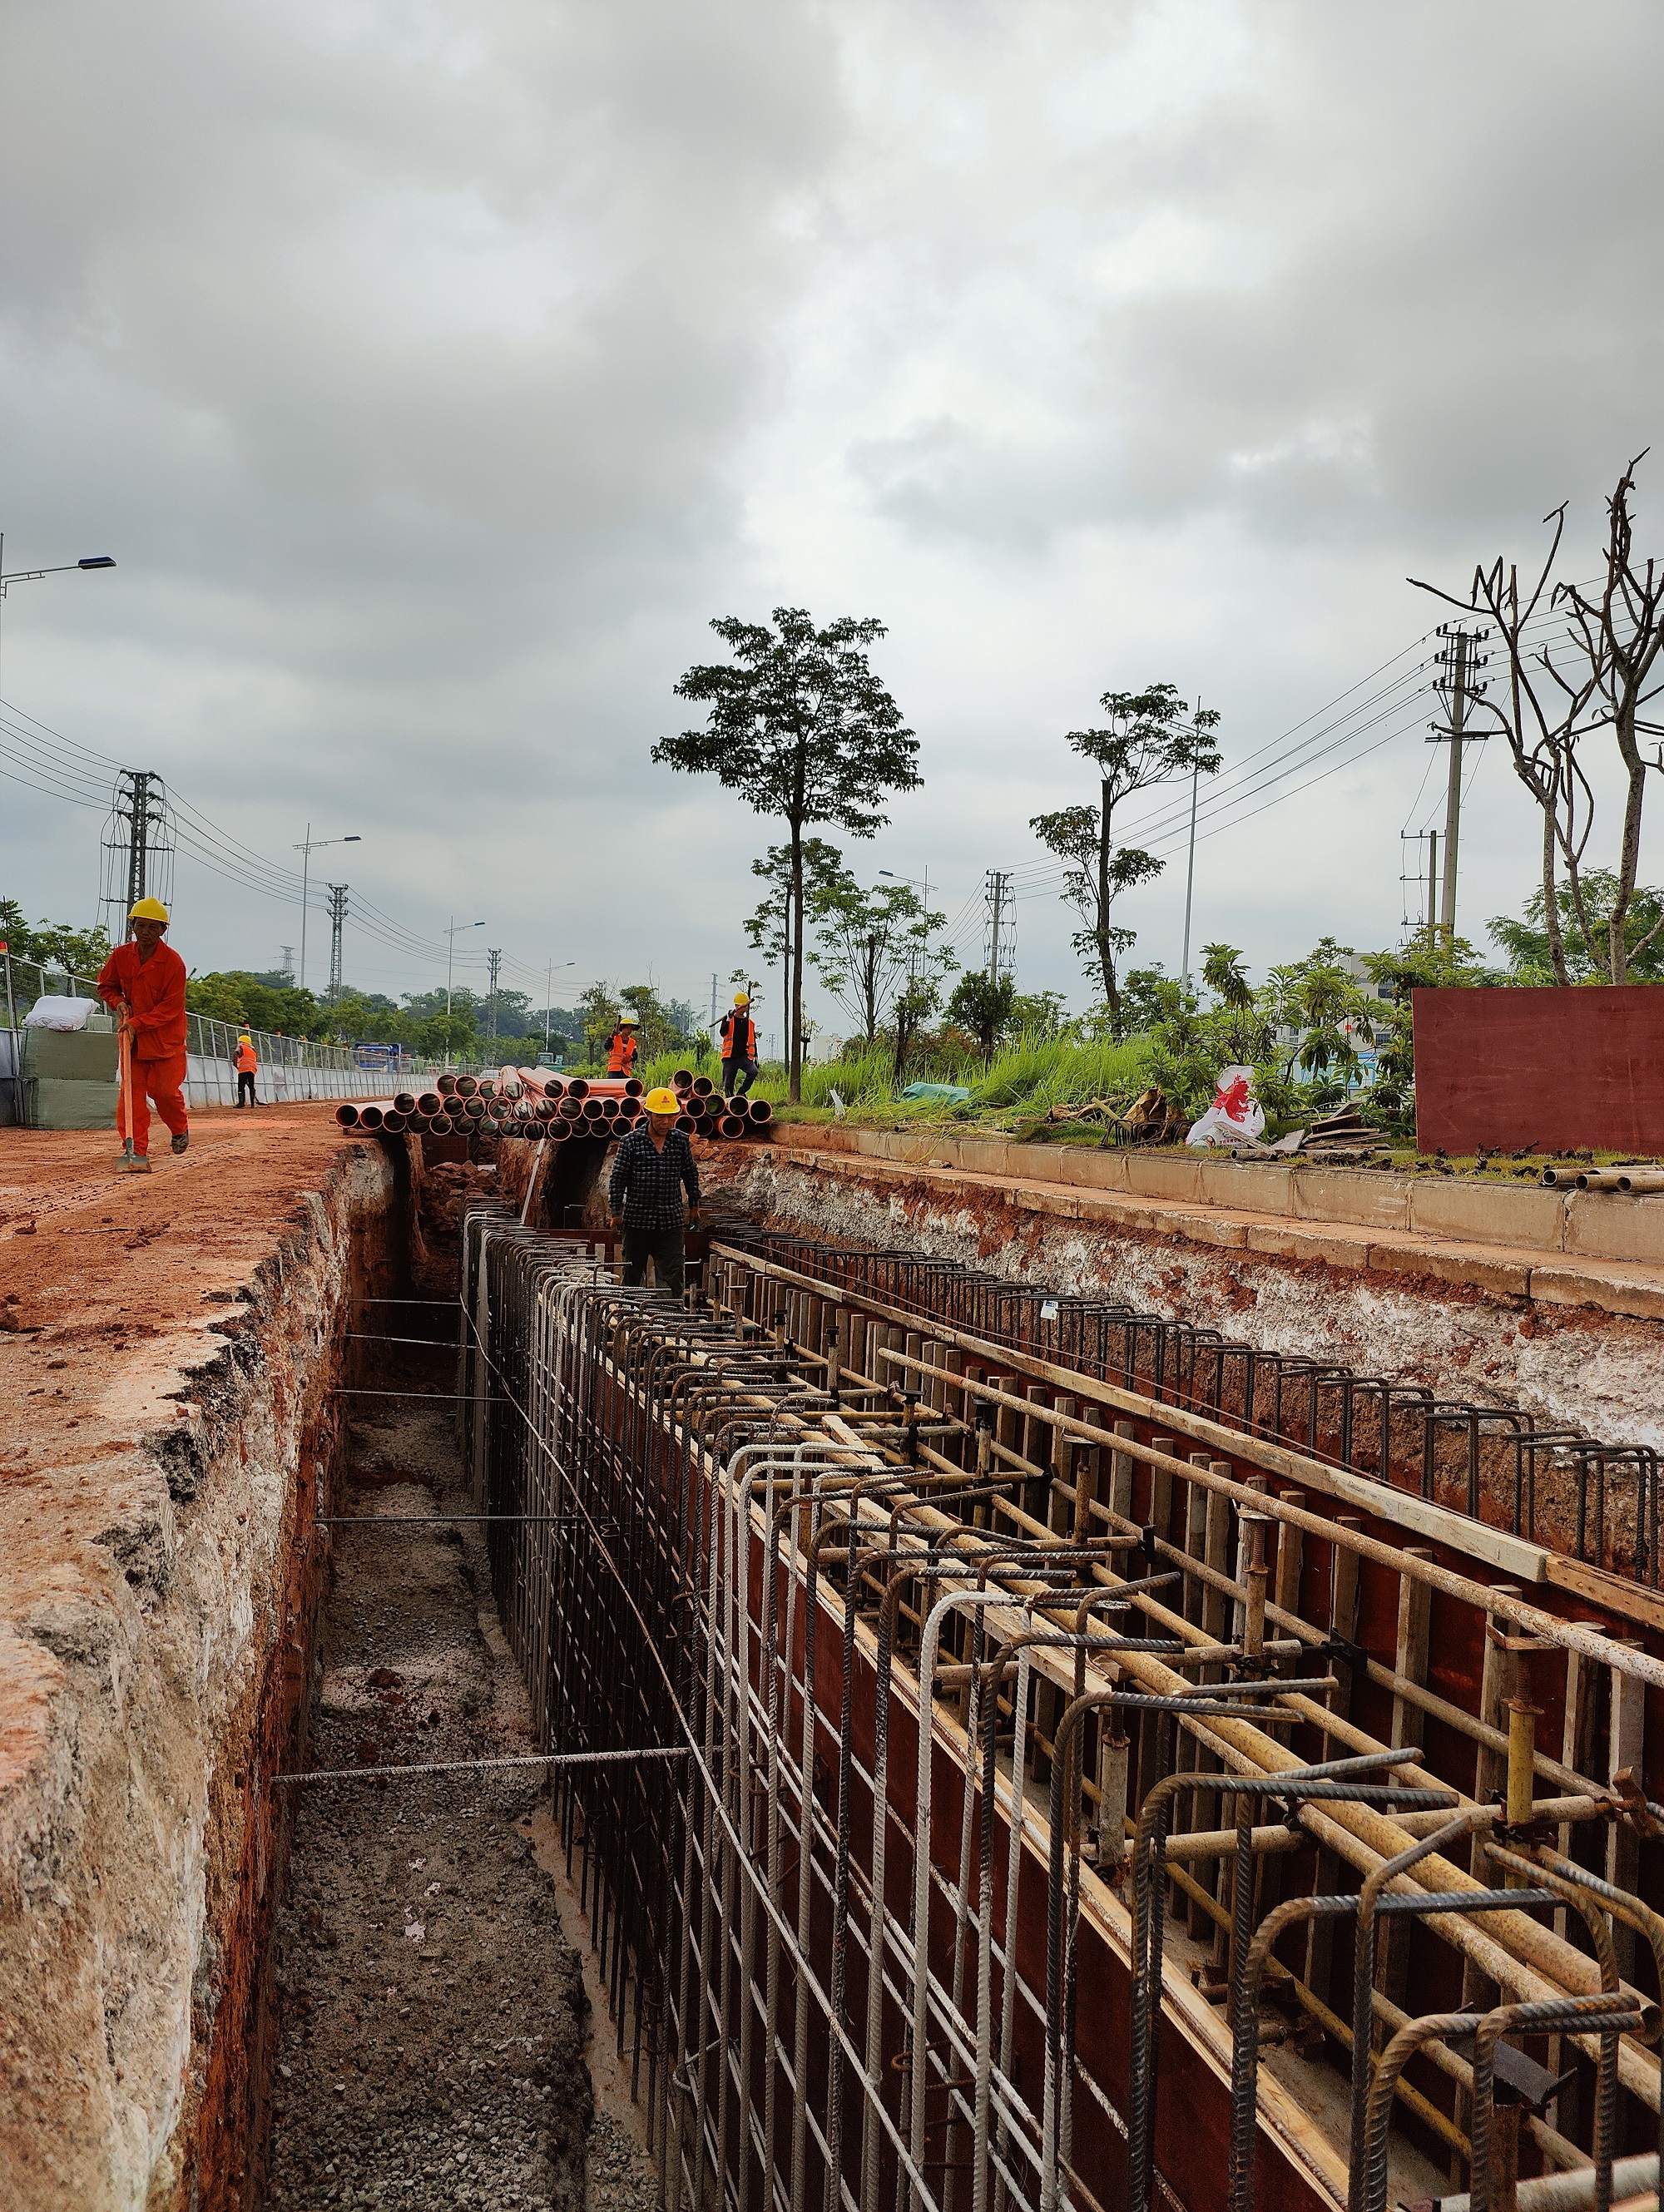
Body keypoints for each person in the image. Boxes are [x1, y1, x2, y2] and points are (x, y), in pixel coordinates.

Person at [97, 897, 189, 1173]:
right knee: (132, 1095)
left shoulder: (173, 963)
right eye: (140, 925)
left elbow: (171, 1008)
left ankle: (179, 1127)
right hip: (132, 1041)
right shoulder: (121, 956)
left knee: (164, 1093)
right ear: (132, 926)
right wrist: (118, 1002)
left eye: (152, 927)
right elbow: (106, 986)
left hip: (165, 1041)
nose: (145, 932)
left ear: (162, 930)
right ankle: (135, 1151)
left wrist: (140, 1023)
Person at [608, 1085, 700, 1294]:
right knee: (632, 1277)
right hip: (637, 1221)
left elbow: (690, 1174)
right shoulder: (631, 1142)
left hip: (670, 1222)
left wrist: (694, 1206)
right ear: (648, 1113)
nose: (666, 1122)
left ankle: (669, 1320)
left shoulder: (680, 1141)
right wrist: (616, 1212)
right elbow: (618, 1179)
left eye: (670, 1117)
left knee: (672, 1277)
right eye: (660, 1117)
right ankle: (631, 1318)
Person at [719, 992, 758, 1099]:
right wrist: (728, 1019)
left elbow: (753, 1041)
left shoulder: (749, 1023)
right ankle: (730, 1104)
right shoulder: (728, 1019)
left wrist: (755, 1056)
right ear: (737, 1006)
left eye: (746, 1006)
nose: (745, 1008)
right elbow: (723, 1033)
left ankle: (741, 1092)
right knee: (728, 1085)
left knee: (753, 1071)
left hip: (743, 1057)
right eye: (744, 1006)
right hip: (729, 1058)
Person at [605, 1012, 640, 1078]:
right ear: (622, 1028)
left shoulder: (632, 1042)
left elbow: (635, 1055)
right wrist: (611, 1036)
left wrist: (630, 1058)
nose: (629, 1030)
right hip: (614, 1070)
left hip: (625, 1071)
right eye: (628, 1028)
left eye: (631, 1029)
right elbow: (607, 1046)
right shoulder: (615, 1038)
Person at [234, 1027, 259, 1107]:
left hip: (243, 1069)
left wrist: (235, 1064)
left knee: (241, 1086)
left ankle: (241, 1103)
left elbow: (236, 1053)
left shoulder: (241, 1046)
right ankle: (253, 1103)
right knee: (251, 1085)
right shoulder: (252, 1049)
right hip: (252, 1069)